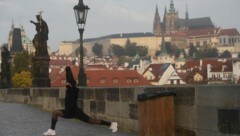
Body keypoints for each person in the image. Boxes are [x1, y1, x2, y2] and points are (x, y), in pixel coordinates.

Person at [43, 66, 117, 135]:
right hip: (68, 112)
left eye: (67, 83)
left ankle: (111, 124)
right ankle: (52, 130)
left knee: (91, 121)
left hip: (76, 112)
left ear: (71, 84)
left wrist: (69, 74)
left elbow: (72, 82)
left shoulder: (74, 90)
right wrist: (67, 70)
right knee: (55, 113)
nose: (66, 84)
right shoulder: (69, 90)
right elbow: (69, 80)